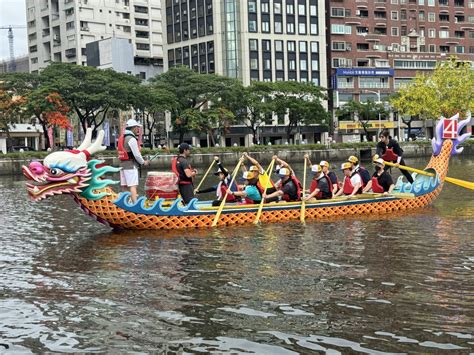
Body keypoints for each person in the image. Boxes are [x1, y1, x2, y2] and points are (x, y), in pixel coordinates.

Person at [117, 119, 149, 203]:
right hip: (131, 165)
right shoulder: (131, 139)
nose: (138, 129)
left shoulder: (122, 137)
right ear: (133, 128)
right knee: (132, 186)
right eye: (137, 127)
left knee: (124, 186)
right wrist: (143, 162)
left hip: (122, 165)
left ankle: (126, 203)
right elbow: (137, 154)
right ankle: (135, 204)